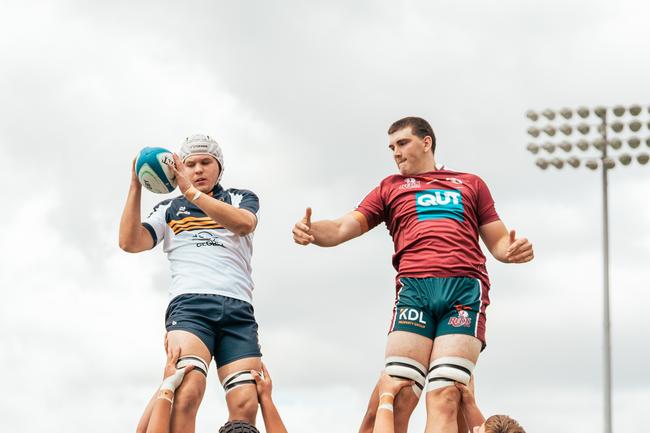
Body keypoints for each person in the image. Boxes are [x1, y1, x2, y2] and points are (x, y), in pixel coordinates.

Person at [292, 117, 534, 433]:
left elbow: (499, 241)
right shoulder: (389, 188)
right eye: (391, 147)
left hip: (463, 292)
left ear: (426, 142)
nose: (396, 152)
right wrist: (312, 231)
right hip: (414, 292)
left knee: (446, 395)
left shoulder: (470, 183)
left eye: (402, 143)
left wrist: (511, 251)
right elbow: (340, 228)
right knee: (397, 393)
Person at [120, 134, 263, 433]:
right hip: (191, 306)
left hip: (238, 310)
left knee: (246, 403)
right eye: (190, 164)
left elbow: (243, 224)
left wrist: (193, 194)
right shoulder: (168, 209)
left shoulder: (240, 198)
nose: (198, 170)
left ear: (219, 168)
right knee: (187, 390)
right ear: (178, 169)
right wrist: (135, 187)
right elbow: (130, 242)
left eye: (205, 163)